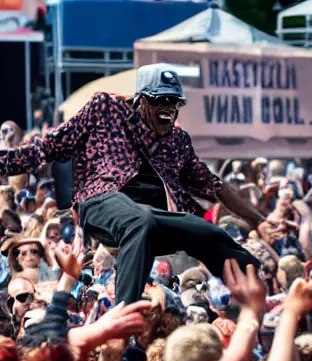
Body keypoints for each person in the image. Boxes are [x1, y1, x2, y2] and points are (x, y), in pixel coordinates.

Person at [0, 63, 285, 306]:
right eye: (160, 102)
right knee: (140, 219)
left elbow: (215, 186)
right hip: (102, 203)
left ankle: (268, 294)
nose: (169, 110)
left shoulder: (178, 141)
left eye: (174, 103)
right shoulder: (105, 110)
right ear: (141, 100)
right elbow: (47, 147)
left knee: (211, 233)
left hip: (153, 220)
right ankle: (124, 314)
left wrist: (258, 219)